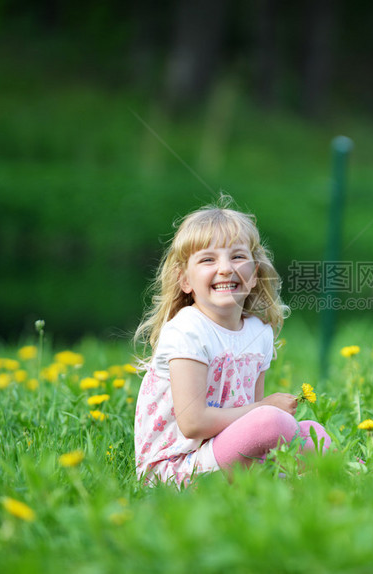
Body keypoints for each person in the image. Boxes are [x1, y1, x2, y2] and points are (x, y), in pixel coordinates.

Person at [133, 196, 330, 487]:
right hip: (175, 468)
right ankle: (320, 475)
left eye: (237, 257)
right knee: (270, 422)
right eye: (208, 259)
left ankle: (357, 473)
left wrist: (264, 412)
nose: (225, 268)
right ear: (185, 280)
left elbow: (251, 425)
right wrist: (267, 409)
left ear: (253, 275)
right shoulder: (188, 330)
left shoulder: (258, 333)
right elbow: (193, 423)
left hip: (222, 453)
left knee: (312, 431)